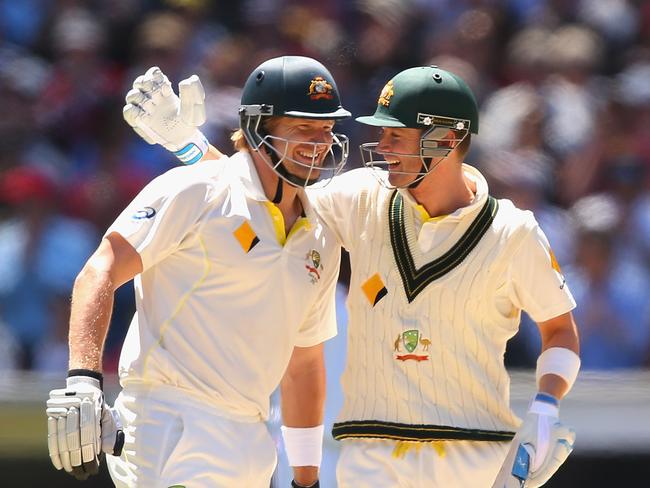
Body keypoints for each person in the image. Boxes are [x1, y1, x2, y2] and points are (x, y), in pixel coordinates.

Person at [128, 65, 581, 487]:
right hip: (371, 456)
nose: (381, 148)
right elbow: (266, 194)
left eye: (395, 136)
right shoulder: (365, 196)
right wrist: (188, 146)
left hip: (474, 454)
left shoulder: (513, 232)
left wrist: (546, 405)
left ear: (445, 138)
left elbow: (559, 328)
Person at [45, 55, 352, 488]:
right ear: (259, 127)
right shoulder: (197, 190)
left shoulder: (320, 234)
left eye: (326, 129)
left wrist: (305, 478)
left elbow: (302, 364)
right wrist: (83, 378)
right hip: (168, 422)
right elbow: (102, 267)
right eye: (303, 128)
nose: (319, 143)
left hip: (250, 438)